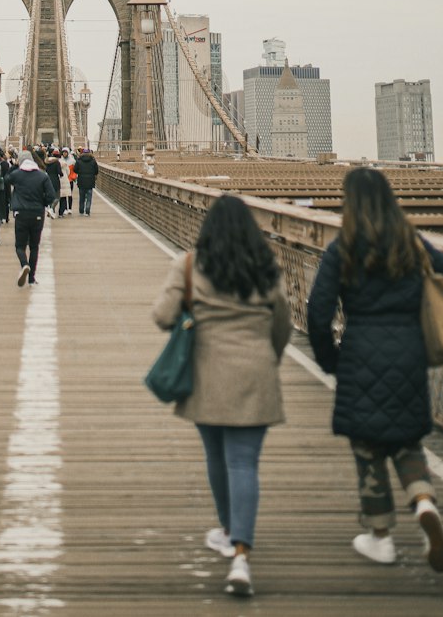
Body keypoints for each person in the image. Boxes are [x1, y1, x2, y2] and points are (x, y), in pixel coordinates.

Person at [307, 166, 443, 572]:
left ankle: (380, 538)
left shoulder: (343, 248)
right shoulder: (412, 243)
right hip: (410, 353)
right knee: (407, 441)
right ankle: (425, 505)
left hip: (360, 355)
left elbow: (318, 313)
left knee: (369, 447)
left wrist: (330, 361)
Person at [152, 194, 291, 599]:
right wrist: (269, 358)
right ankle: (241, 554)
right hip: (257, 374)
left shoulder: (191, 266)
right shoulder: (266, 269)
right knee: (244, 463)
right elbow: (281, 325)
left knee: (217, 457)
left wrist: (188, 314)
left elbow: (162, 316)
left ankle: (229, 532)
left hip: (206, 374)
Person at [7, 149, 56, 286]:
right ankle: (31, 278)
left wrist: (15, 166)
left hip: (21, 214)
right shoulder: (42, 176)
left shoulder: (17, 175)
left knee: (20, 246)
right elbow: (51, 196)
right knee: (34, 247)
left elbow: (5, 179)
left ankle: (24, 264)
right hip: (37, 214)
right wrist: (42, 204)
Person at [74, 147, 99, 215]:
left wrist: (80, 172)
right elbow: (96, 171)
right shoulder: (93, 161)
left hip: (81, 180)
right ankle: (87, 210)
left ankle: (81, 210)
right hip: (90, 181)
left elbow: (75, 170)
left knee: (81, 197)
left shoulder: (79, 160)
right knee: (89, 197)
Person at [45, 149, 64, 217]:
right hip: (55, 179)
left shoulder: (47, 162)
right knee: (57, 196)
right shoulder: (57, 162)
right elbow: (59, 172)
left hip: (48, 179)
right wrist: (62, 174)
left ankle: (50, 209)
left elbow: (45, 170)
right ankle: (51, 208)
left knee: (50, 195)